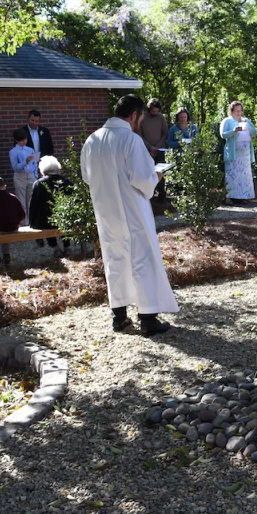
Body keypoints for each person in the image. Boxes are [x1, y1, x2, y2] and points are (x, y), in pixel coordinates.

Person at [82, 94, 178, 336]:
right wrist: (156, 176)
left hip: (106, 211)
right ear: (134, 115)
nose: (140, 123)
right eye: (140, 118)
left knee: (114, 260)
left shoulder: (92, 140)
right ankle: (148, 318)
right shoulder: (131, 140)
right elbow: (142, 180)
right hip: (132, 210)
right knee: (142, 259)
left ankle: (119, 317)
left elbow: (87, 176)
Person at [28, 156, 73, 258]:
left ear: (43, 172)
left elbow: (33, 205)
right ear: (58, 170)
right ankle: (67, 247)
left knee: (45, 217)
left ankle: (56, 248)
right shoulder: (67, 182)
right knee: (65, 218)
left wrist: (32, 222)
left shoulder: (39, 184)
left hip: (46, 221)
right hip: (65, 219)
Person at [0, 175, 26, 269]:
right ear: (5, 186)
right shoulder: (14, 198)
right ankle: (6, 255)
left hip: (0, 229)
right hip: (14, 228)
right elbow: (22, 215)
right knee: (4, 230)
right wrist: (16, 222)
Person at [220, 101, 257, 204]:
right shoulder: (227, 121)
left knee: (243, 176)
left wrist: (247, 125)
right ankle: (229, 197)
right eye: (236, 110)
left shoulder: (246, 120)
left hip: (244, 154)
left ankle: (241, 196)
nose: (238, 112)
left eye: (240, 110)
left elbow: (254, 132)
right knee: (232, 175)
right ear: (232, 111)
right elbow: (223, 135)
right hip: (233, 153)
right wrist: (234, 130)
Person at [9, 131, 38, 225]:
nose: (24, 142)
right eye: (21, 140)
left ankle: (31, 220)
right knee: (21, 200)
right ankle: (24, 222)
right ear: (16, 140)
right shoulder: (13, 152)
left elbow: (35, 163)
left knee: (31, 199)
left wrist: (35, 175)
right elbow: (15, 167)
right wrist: (25, 161)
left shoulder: (30, 150)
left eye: (25, 139)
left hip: (30, 175)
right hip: (20, 176)